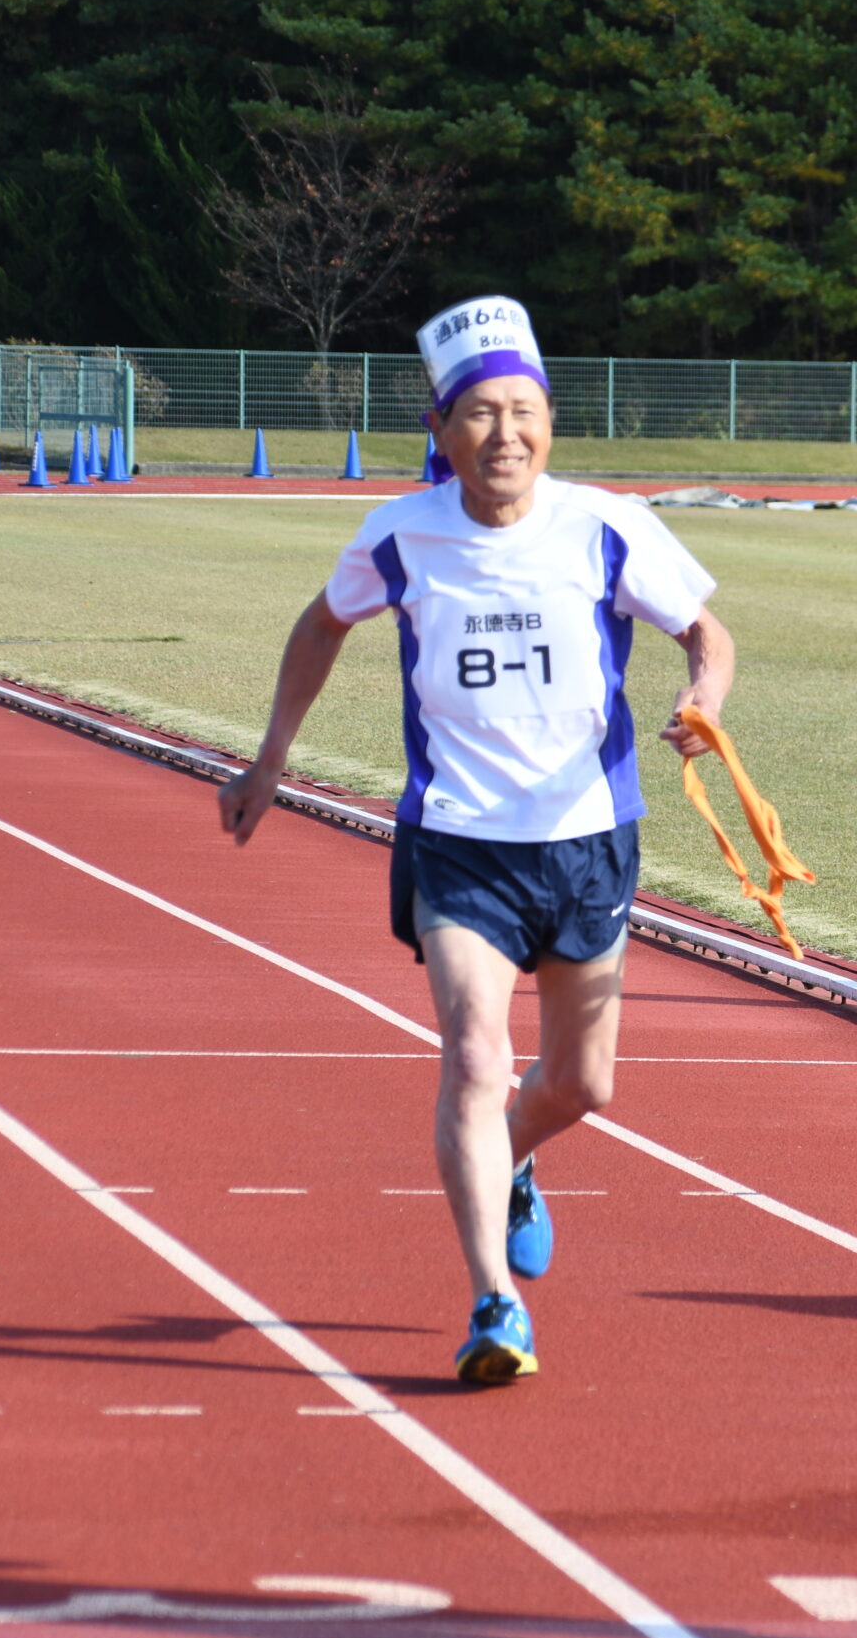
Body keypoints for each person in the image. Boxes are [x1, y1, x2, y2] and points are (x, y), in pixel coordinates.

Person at [218, 296, 734, 1385]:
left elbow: (705, 631)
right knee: (473, 1056)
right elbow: (320, 626)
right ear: (442, 429)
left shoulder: (606, 524)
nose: (506, 435)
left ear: (550, 420)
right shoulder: (401, 536)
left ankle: (513, 1163)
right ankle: (494, 1304)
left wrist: (704, 697)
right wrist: (271, 759)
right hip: (457, 840)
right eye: (481, 415)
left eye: (524, 411)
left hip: (588, 840)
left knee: (585, 1086)